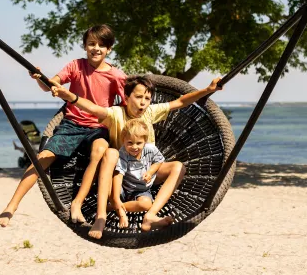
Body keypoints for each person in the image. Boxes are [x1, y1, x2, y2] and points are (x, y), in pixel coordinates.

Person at [0, 24, 126, 240]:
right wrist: (39, 77)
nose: (96, 49)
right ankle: (11, 206)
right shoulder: (76, 66)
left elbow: (128, 103)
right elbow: (51, 85)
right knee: (42, 159)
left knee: (100, 150)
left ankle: (78, 204)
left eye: (102, 45)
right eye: (91, 44)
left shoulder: (116, 76)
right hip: (71, 126)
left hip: (98, 128)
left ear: (109, 49)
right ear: (85, 46)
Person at [51, 74, 223, 236]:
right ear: (126, 98)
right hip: (120, 175)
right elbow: (93, 108)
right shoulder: (116, 114)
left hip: (146, 175)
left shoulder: (150, 112)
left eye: (147, 99)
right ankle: (101, 216)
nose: (143, 103)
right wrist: (70, 96)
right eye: (138, 97)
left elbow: (181, 102)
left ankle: (150, 216)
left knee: (178, 167)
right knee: (111, 153)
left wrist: (208, 90)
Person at [110, 118, 165, 230]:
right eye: (129, 143)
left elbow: (159, 161)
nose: (134, 147)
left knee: (146, 204)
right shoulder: (123, 153)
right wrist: (116, 198)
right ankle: (119, 208)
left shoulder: (151, 149)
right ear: (123, 140)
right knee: (109, 183)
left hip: (141, 190)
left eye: (139, 143)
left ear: (145, 141)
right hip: (124, 189)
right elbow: (119, 175)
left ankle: (112, 208)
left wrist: (150, 172)